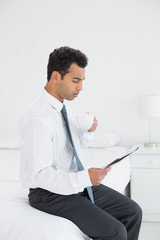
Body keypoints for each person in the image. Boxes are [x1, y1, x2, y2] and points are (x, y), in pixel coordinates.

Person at [19, 46, 142, 240]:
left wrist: (86, 133)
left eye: (82, 81)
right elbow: (40, 175)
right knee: (115, 231)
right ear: (55, 77)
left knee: (132, 211)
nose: (80, 88)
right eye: (75, 81)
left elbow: (70, 150)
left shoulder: (62, 107)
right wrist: (84, 179)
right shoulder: (38, 118)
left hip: (73, 183)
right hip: (49, 193)